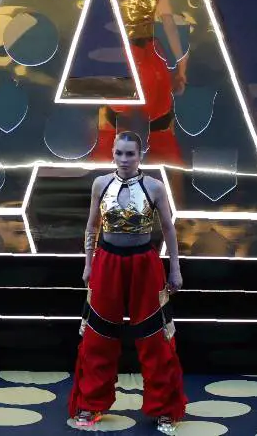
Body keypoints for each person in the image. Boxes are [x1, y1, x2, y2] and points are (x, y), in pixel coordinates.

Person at [69, 131, 186, 434]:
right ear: (112, 153)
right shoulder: (100, 184)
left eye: (130, 154)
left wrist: (175, 269)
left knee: (155, 337)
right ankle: (90, 403)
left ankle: (164, 409)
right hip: (107, 263)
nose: (124, 159)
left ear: (140, 155)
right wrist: (88, 264)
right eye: (119, 153)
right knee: (97, 335)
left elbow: (169, 229)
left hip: (144, 265)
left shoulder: (155, 187)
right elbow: (91, 227)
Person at [93, 0, 187, 165]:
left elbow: (170, 25)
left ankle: (131, 152)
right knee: (143, 105)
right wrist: (180, 61)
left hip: (135, 53)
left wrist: (180, 61)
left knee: (139, 106)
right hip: (135, 53)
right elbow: (169, 25)